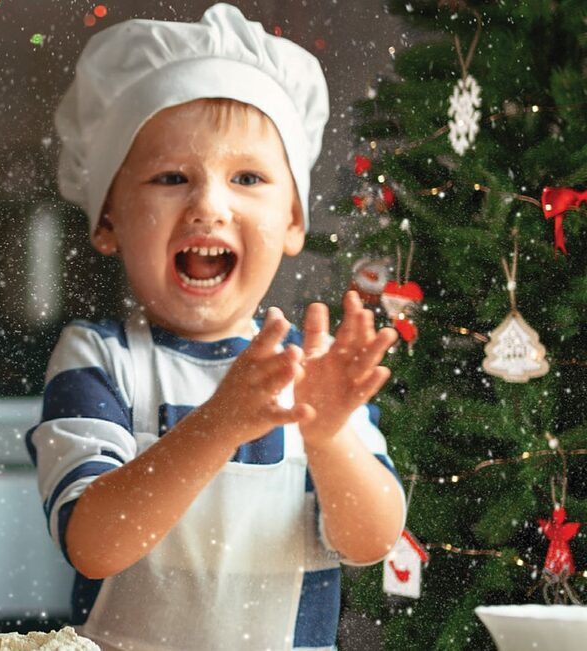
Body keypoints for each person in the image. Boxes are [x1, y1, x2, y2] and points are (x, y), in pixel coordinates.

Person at [30, 5, 407, 650]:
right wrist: (220, 423)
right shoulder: (100, 358)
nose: (209, 204)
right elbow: (92, 544)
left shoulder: (312, 373)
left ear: (293, 221)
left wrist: (328, 436)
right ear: (108, 218)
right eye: (171, 177)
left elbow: (370, 542)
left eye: (248, 178)